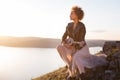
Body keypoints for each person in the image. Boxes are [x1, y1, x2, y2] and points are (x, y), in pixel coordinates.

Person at [57, 6, 107, 80]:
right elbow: (63, 37)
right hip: (72, 48)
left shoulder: (82, 26)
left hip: (82, 48)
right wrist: (65, 44)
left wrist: (72, 44)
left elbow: (81, 41)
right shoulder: (69, 25)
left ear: (77, 15)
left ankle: (81, 75)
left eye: (72, 13)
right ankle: (70, 65)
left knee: (76, 57)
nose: (69, 15)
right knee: (59, 47)